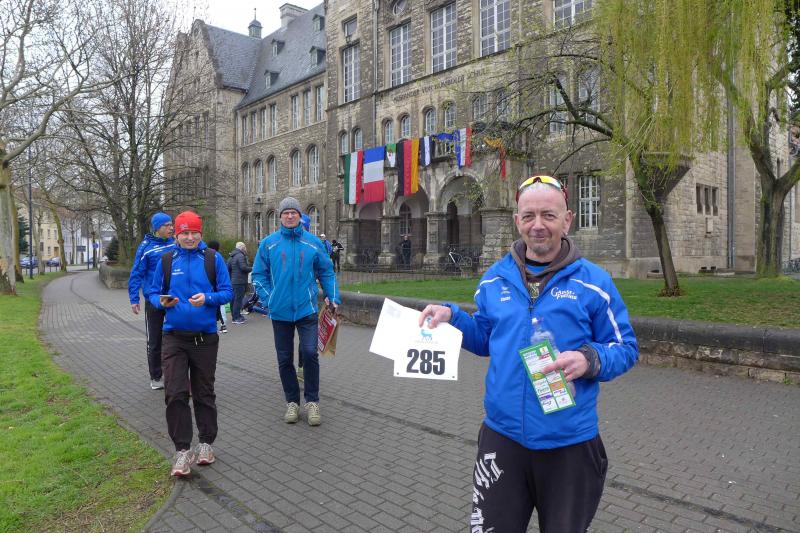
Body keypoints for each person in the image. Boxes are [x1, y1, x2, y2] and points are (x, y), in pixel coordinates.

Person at [419, 175, 639, 532]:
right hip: (502, 437)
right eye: (529, 215)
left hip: (569, 444)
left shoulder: (595, 283)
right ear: (517, 220)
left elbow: (626, 348)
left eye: (548, 215)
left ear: (567, 220)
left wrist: (589, 359)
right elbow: (485, 338)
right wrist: (453, 317)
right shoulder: (494, 279)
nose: (538, 225)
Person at [146, 210, 233, 477]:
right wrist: (161, 301)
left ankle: (206, 444)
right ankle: (182, 450)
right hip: (174, 337)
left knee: (204, 392)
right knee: (175, 393)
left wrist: (207, 298)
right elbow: (152, 292)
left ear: (200, 233)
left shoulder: (212, 259)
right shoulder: (167, 260)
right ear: (177, 235)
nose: (190, 237)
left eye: (194, 232)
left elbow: (227, 292)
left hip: (205, 338)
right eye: (184, 233)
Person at [252, 196, 341, 427]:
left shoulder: (313, 243)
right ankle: (292, 401)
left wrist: (333, 296)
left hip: (306, 309)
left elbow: (327, 271)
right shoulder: (268, 244)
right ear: (280, 217)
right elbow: (259, 275)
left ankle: (312, 402)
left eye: (294, 212)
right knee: (284, 358)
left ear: (300, 216)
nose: (290, 216)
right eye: (286, 213)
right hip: (279, 311)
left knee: (310, 353)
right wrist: (269, 299)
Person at [128, 212, 176, 390]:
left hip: (173, 298)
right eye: (167, 225)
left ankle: (174, 373)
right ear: (157, 228)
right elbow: (136, 273)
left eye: (171, 224)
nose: (171, 228)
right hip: (154, 300)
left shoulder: (176, 243)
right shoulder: (146, 247)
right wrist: (134, 298)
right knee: (155, 340)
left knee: (176, 338)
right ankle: (156, 377)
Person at [206, 240, 228, 333]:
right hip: (217, 287)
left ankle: (220, 324)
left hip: (211, 287)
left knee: (215, 306)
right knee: (220, 306)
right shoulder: (219, 257)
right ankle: (223, 324)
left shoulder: (207, 257)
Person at [227, 242, 252, 325]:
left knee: (233, 299)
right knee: (238, 300)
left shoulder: (232, 256)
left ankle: (234, 316)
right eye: (245, 247)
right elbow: (243, 267)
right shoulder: (241, 255)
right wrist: (253, 268)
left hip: (233, 281)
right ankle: (236, 317)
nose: (246, 249)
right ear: (242, 248)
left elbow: (228, 268)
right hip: (240, 281)